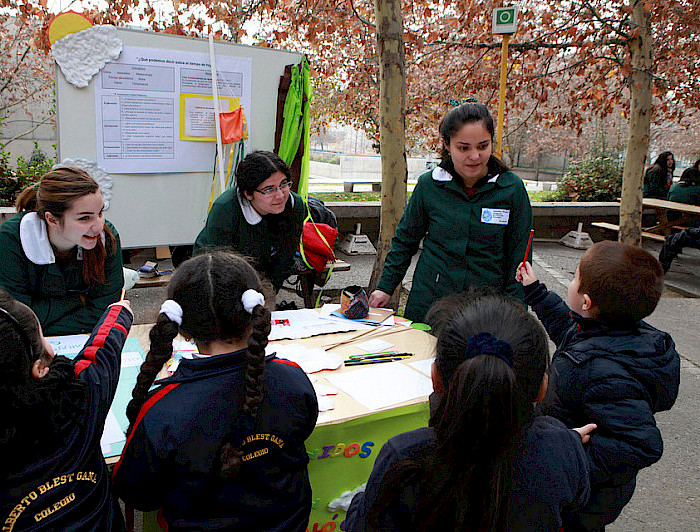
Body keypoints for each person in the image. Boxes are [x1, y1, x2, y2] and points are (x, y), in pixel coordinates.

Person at [345, 292, 594, 531]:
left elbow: (367, 523)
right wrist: (564, 441)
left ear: (435, 378)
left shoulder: (405, 455)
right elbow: (575, 502)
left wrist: (359, 502)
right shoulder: (560, 447)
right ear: (542, 387)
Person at [112, 251, 318, 531]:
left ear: (182, 327)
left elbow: (138, 493)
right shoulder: (293, 378)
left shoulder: (163, 408)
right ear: (256, 311)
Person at [517, 241, 680, 531]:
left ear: (587, 302)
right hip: (579, 478)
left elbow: (641, 445)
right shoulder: (615, 331)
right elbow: (567, 327)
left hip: (583, 495)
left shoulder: (599, 370)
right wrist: (536, 291)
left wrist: (569, 452)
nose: (571, 282)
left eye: (574, 277)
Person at [368, 102, 533, 322]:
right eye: (464, 148)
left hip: (487, 307)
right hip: (431, 301)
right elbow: (405, 241)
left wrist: (516, 310)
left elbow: (520, 257)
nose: (474, 156)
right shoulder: (429, 186)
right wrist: (386, 287)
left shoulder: (511, 189)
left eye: (483, 146)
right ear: (447, 144)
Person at [0, 288, 132, 531]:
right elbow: (101, 351)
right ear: (39, 368)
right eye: (42, 338)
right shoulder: (76, 399)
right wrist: (120, 311)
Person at [0, 167, 124, 335]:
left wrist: (38, 322)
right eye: (84, 218)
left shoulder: (107, 238)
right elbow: (14, 318)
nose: (98, 225)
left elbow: (105, 312)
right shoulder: (11, 240)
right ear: (52, 219)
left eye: (100, 212)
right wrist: (77, 300)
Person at [193, 151, 306, 292]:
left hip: (263, 263)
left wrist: (269, 293)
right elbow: (218, 266)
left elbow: (285, 256)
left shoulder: (295, 205)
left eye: (283, 184)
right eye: (269, 189)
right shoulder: (225, 209)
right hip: (216, 267)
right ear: (248, 193)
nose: (280, 195)